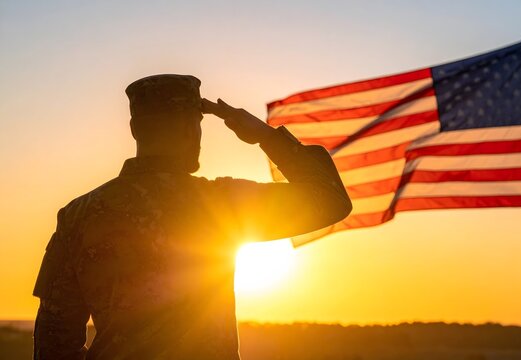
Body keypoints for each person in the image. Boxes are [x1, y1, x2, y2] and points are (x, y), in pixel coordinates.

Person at [32, 74, 352, 359]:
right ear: (190, 128)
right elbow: (330, 199)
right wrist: (265, 136)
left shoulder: (78, 214)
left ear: (134, 128)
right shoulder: (219, 203)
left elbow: (54, 339)